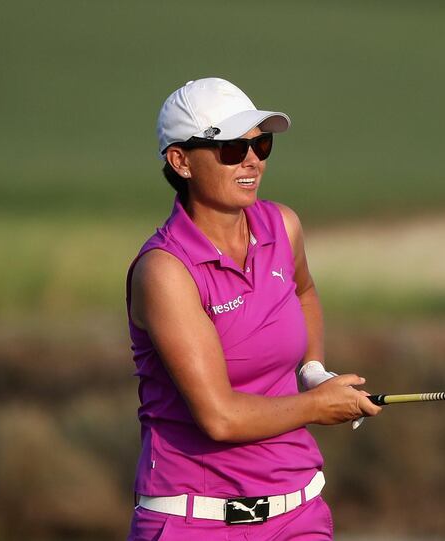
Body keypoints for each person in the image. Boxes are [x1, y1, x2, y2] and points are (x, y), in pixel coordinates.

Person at [125, 77, 381, 540]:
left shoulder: (282, 225)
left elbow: (304, 293)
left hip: (299, 515)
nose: (252, 161)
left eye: (260, 144)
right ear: (180, 161)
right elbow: (219, 417)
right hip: (194, 521)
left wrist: (313, 369)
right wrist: (316, 405)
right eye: (230, 149)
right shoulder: (165, 271)